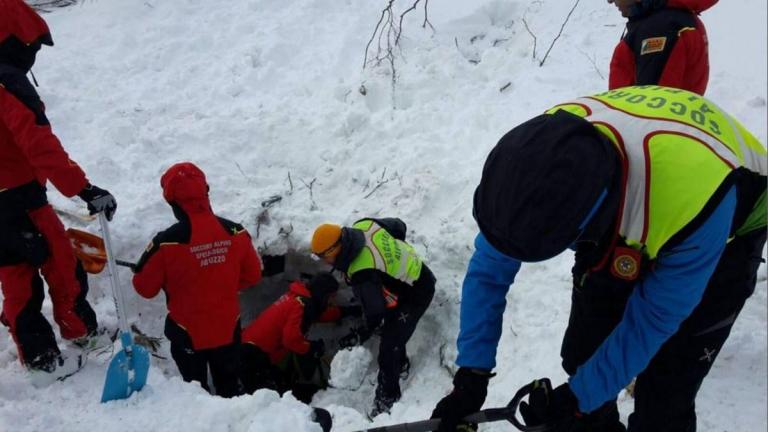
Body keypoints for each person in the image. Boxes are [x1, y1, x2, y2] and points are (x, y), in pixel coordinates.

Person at [430, 85, 766, 432]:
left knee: (665, 390)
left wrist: (577, 400)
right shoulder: (536, 159)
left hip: (727, 220)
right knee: (583, 353)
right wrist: (472, 374)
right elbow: (489, 271)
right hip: (643, 180)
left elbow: (653, 319)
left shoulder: (692, 203)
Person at [0, 0, 116, 376]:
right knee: (62, 264)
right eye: (31, 48)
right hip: (22, 198)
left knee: (16, 275)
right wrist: (83, 189)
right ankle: (80, 331)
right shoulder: (9, 83)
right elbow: (39, 145)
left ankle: (38, 357)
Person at [132, 162, 262, 398]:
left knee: (194, 394)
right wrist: (224, 283)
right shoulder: (236, 232)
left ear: (172, 201)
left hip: (187, 334)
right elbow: (253, 275)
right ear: (206, 191)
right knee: (230, 389)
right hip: (228, 328)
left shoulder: (166, 243)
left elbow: (144, 289)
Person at [311, 218, 436, 416]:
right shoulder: (364, 226)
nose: (322, 261)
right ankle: (400, 364)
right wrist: (396, 258)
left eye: (322, 256)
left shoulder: (362, 271)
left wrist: (365, 331)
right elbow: (399, 226)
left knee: (388, 345)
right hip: (415, 272)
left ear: (334, 250)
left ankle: (387, 400)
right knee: (393, 325)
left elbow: (375, 312)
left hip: (417, 292)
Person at [240, 272, 361, 402]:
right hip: (252, 356)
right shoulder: (299, 305)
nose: (331, 301)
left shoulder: (299, 299)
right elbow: (291, 340)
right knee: (269, 401)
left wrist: (346, 312)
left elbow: (318, 315)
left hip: (254, 350)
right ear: (322, 294)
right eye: (331, 297)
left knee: (279, 391)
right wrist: (311, 348)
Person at [608, 0, 718, 95]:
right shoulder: (670, 20)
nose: (610, 1)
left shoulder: (659, 30)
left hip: (638, 117)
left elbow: (651, 105)